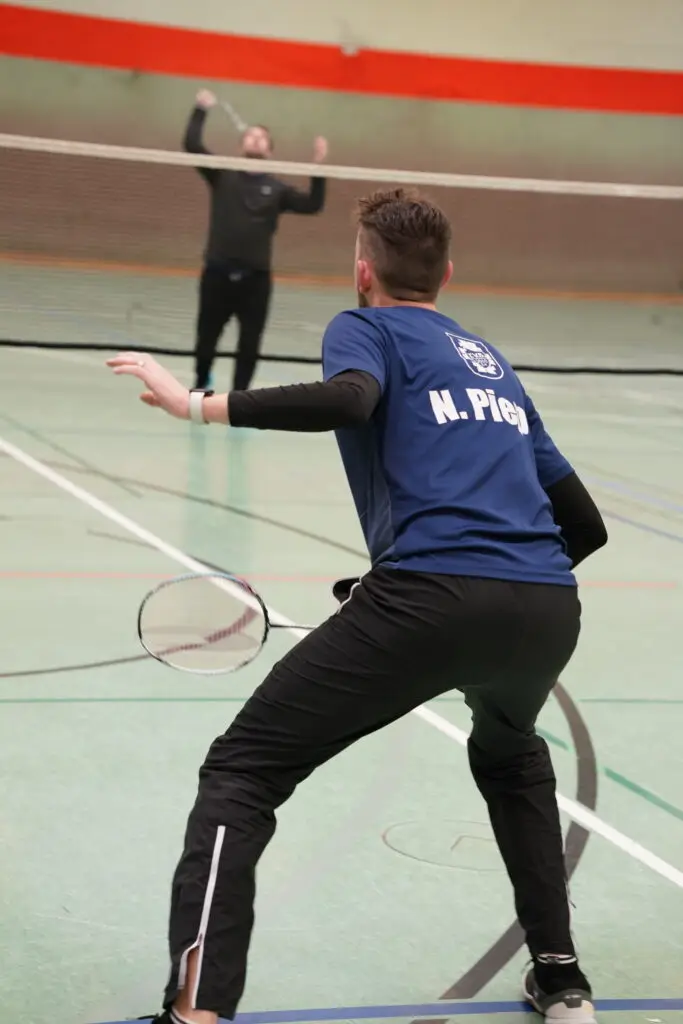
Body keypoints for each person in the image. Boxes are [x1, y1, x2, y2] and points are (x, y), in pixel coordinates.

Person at [107, 187, 607, 1024]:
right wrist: (482, 584)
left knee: (241, 773)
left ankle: (195, 1010)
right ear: (445, 274)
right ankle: (561, 980)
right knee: (511, 754)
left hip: (430, 601)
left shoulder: (364, 326)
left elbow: (349, 401)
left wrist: (195, 404)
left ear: (361, 271)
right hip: (547, 607)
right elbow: (581, 524)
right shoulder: (490, 361)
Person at [183, 89, 328, 392]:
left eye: (262, 137)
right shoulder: (222, 175)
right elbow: (192, 145)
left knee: (249, 343)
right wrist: (200, 109)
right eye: (251, 135)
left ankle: (241, 398)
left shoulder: (277, 190)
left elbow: (313, 204)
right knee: (206, 337)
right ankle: (201, 382)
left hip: (256, 280)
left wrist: (319, 167)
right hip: (217, 274)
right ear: (241, 146)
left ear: (270, 151)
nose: (256, 139)